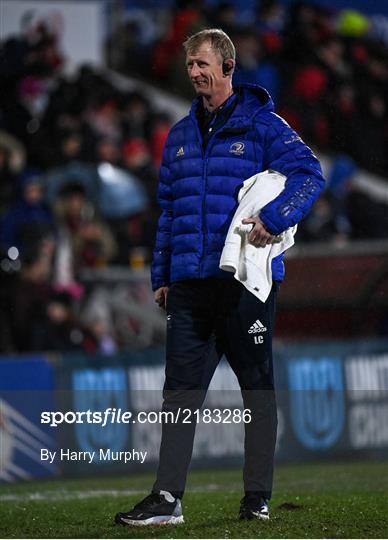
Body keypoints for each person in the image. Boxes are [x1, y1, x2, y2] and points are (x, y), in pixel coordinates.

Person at [115, 28, 324, 527]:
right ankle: (167, 499)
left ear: (228, 67)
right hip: (189, 284)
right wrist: (162, 274)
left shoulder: (263, 125)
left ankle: (256, 497)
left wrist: (274, 218)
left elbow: (309, 174)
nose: (193, 73)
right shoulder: (180, 135)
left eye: (202, 64)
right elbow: (167, 210)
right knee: (179, 394)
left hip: (245, 286)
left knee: (257, 390)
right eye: (189, 65)